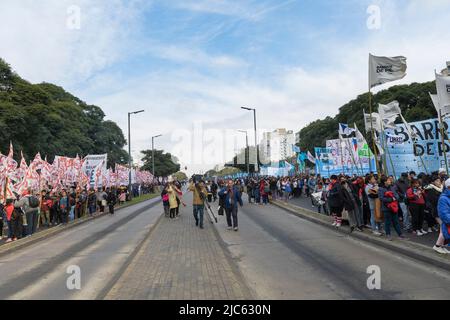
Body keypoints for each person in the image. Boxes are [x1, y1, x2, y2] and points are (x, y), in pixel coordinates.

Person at [379, 176, 406, 241]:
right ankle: (388, 234)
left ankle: (400, 234)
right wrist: (391, 199)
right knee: (387, 222)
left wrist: (395, 198)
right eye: (388, 180)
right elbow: (381, 198)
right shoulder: (381, 189)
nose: (390, 181)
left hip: (394, 207)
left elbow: (396, 195)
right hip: (386, 208)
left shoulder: (392, 187)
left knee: (396, 221)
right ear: (385, 182)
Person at [436, 178, 450, 254]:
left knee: (443, 234)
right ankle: (438, 246)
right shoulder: (443, 198)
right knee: (444, 233)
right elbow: (444, 214)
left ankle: (439, 246)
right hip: (448, 222)